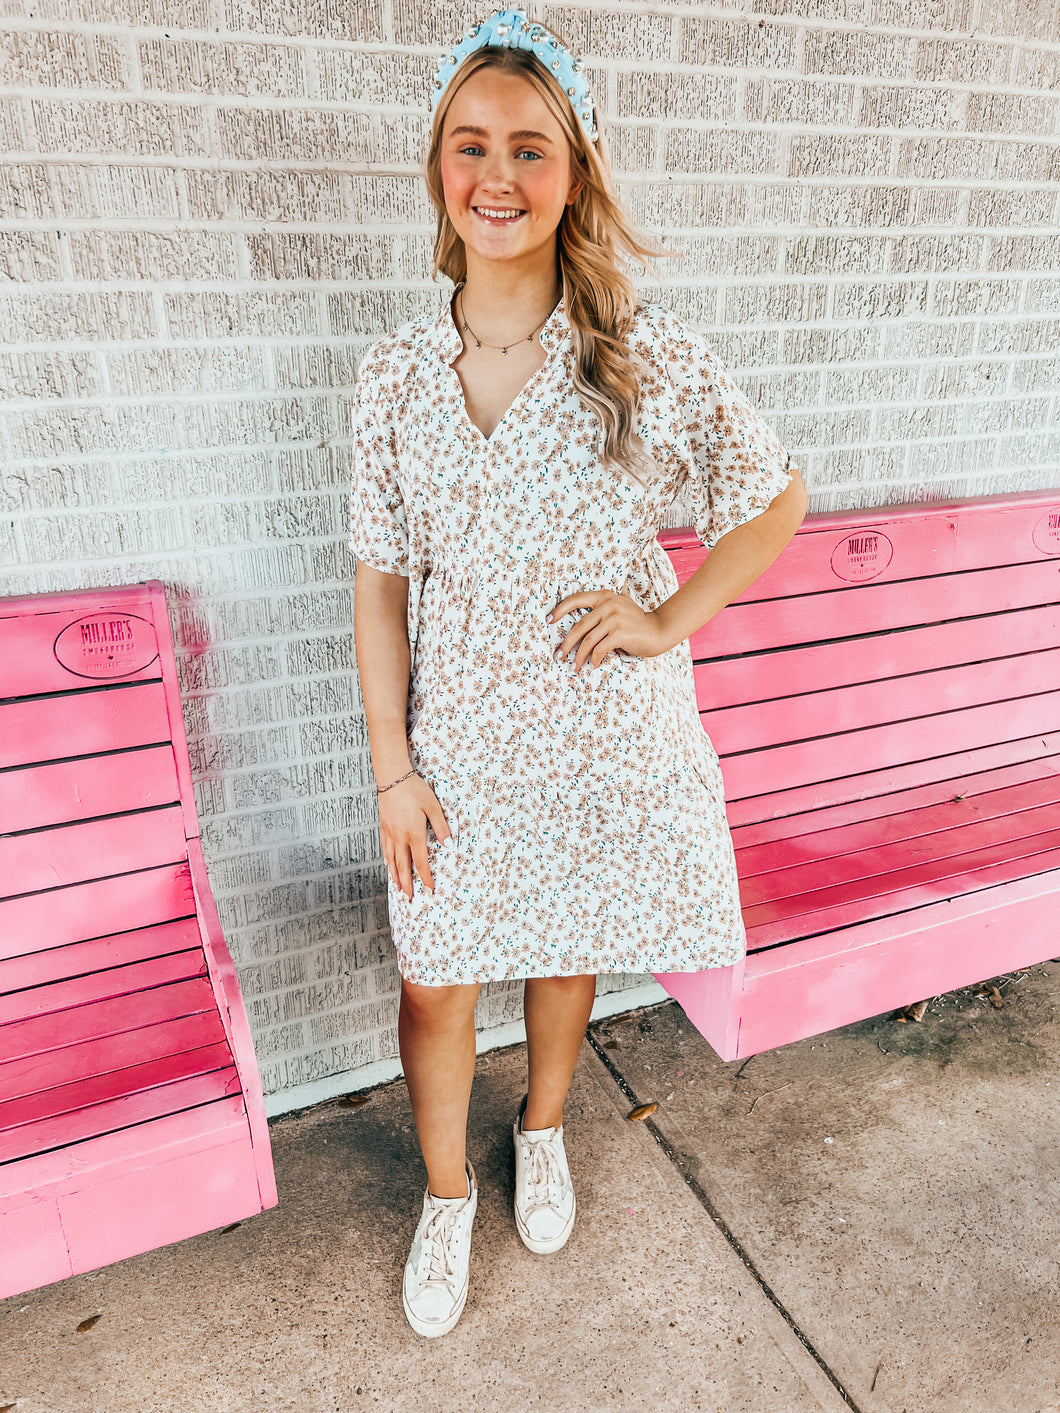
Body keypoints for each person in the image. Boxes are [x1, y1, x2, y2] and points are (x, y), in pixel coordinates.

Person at [350, 7, 808, 1338]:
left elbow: (770, 497)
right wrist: (392, 765)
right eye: (471, 144)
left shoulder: (633, 356)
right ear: (439, 166)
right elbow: (379, 585)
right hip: (454, 750)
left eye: (530, 149)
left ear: (577, 168)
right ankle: (447, 1195)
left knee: (562, 950)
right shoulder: (389, 381)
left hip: (594, 735)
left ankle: (542, 1125)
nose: (498, 176)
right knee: (435, 976)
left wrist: (669, 617)